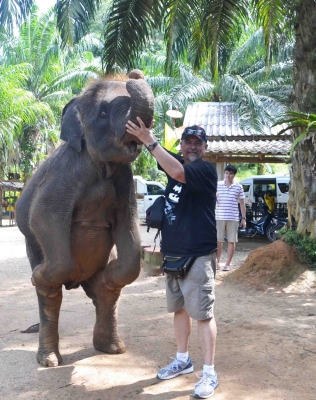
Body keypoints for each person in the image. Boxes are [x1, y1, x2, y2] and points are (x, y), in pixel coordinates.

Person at [126, 120, 219, 399]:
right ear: (182, 145)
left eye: (197, 143)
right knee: (179, 310)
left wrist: (150, 139)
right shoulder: (175, 162)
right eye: (188, 142)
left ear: (204, 148)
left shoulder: (203, 170)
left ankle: (210, 373)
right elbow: (166, 161)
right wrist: (144, 132)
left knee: (203, 315)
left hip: (198, 255)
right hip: (173, 254)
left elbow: (178, 171)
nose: (192, 147)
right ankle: (182, 360)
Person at [215, 165, 247, 271]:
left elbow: (242, 203)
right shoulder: (217, 185)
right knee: (218, 241)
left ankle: (228, 264)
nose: (228, 175)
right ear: (224, 173)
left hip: (233, 218)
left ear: (234, 175)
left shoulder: (238, 187)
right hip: (219, 217)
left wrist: (244, 218)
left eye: (231, 173)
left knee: (231, 241)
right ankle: (217, 262)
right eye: (227, 173)